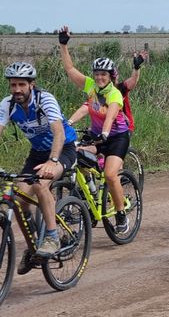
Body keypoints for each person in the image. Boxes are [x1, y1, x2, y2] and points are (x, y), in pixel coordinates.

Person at [0, 62, 77, 266]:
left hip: (63, 149)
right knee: (18, 198)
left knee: (40, 184)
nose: (17, 89)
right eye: (13, 85)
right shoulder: (7, 104)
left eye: (21, 85)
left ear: (31, 85)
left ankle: (52, 237)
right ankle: (34, 245)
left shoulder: (45, 100)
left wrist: (52, 161)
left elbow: (59, 133)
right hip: (37, 154)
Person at [58, 26, 131, 233]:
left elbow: (110, 116)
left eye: (103, 74)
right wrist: (63, 45)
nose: (99, 77)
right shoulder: (90, 85)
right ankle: (90, 195)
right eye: (97, 74)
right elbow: (70, 70)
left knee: (110, 175)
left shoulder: (115, 94)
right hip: (96, 136)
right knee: (76, 155)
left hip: (116, 138)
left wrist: (105, 133)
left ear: (111, 76)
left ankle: (121, 214)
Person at [69, 50, 148, 133]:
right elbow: (88, 107)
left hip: (123, 127)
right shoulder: (97, 90)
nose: (114, 78)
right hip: (104, 126)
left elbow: (133, 81)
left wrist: (136, 68)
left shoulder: (120, 88)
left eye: (104, 75)